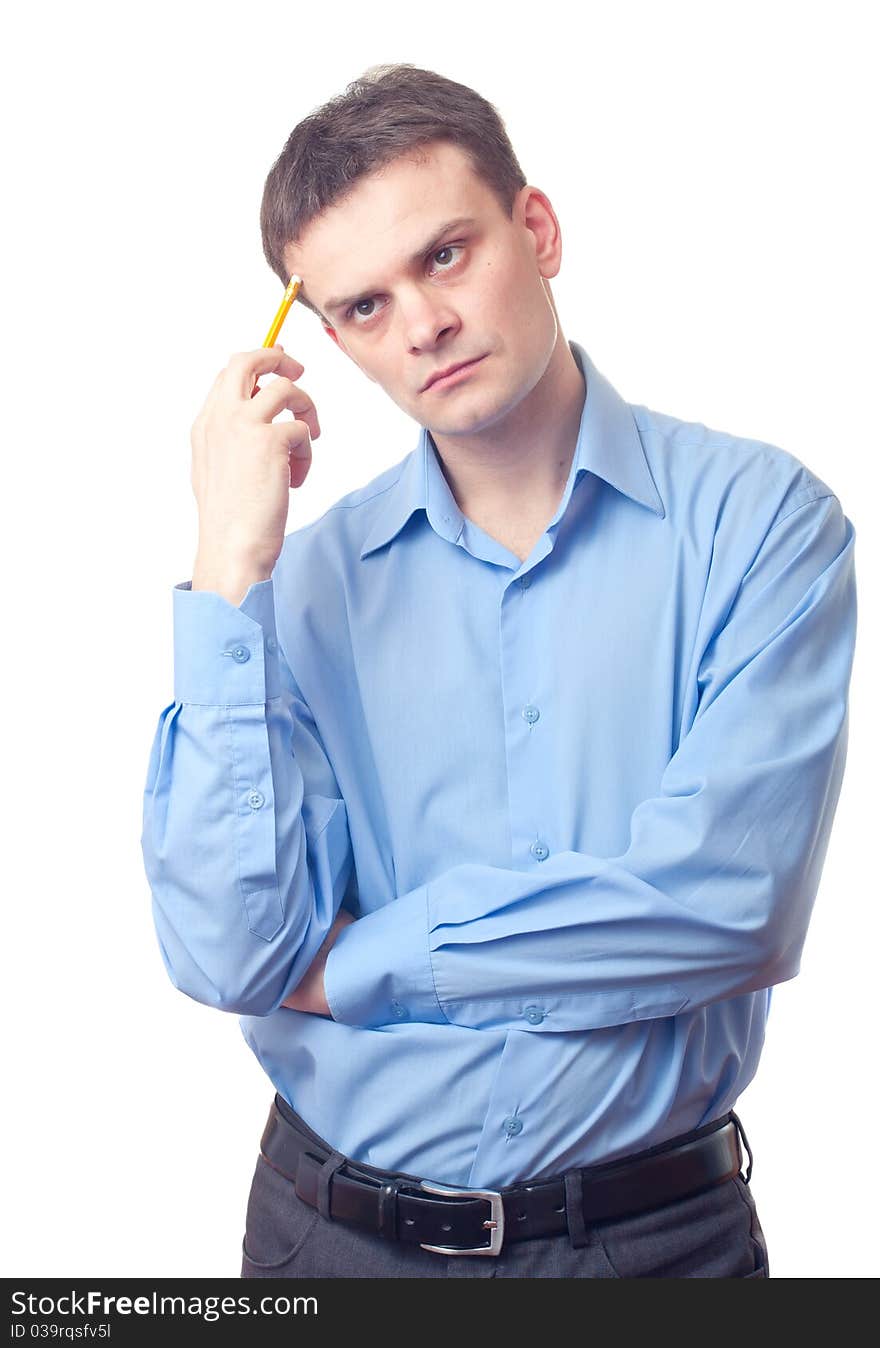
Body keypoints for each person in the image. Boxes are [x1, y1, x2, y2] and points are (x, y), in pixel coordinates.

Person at [140, 63, 857, 1279]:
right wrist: (225, 567)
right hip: (332, 1243)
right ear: (324, 341)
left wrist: (361, 964)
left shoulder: (762, 524)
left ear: (536, 230)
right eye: (362, 307)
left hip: (653, 1250)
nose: (421, 325)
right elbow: (229, 954)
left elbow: (724, 908)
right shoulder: (297, 589)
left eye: (444, 256)